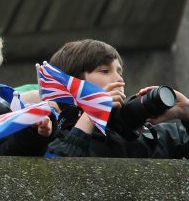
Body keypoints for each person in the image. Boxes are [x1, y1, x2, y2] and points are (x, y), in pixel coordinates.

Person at [46, 39, 189, 158]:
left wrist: (186, 111)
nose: (119, 79)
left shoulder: (142, 136)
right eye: (105, 71)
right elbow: (55, 175)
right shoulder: (47, 133)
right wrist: (91, 114)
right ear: (74, 84)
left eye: (119, 72)